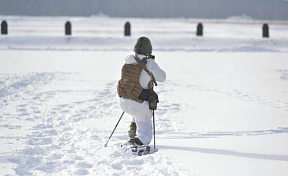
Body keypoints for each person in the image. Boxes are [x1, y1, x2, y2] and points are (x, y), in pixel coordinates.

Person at [117, 36, 166, 146]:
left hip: (124, 102)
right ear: (149, 50)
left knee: (136, 100)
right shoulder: (150, 64)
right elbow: (162, 77)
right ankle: (131, 143)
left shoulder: (128, 62)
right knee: (146, 135)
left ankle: (133, 124)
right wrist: (153, 64)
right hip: (139, 106)